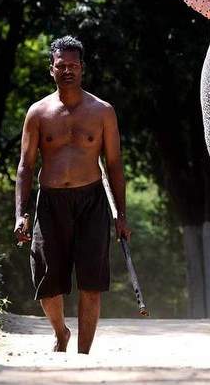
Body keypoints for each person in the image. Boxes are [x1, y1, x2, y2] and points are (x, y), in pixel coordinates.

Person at [13, 35, 131, 354]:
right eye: (61, 65)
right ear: (51, 69)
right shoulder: (38, 113)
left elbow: (115, 165)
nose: (68, 71)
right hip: (50, 202)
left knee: (91, 283)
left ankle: (83, 356)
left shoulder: (103, 111)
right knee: (47, 280)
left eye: (73, 65)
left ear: (82, 69)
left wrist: (121, 213)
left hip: (91, 201)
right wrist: (21, 214)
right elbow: (25, 167)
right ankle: (61, 332)